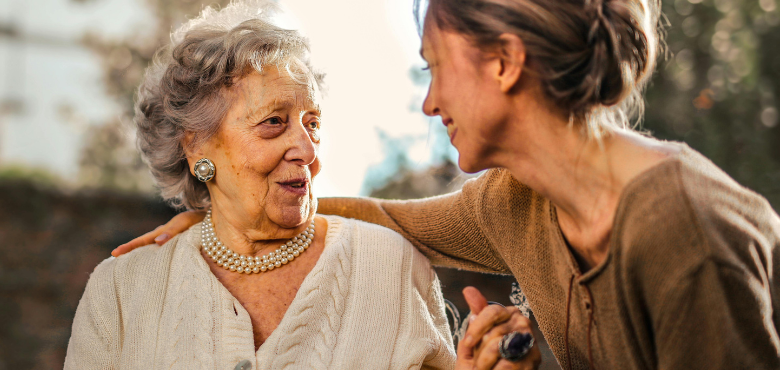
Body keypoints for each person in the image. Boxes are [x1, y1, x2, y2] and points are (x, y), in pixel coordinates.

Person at [113, 0, 780, 368]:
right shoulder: (515, 202)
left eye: (435, 67)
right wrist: (230, 215)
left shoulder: (681, 229)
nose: (430, 103)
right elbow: (387, 220)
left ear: (504, 62)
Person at [65, 2, 540, 369]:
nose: (307, 151)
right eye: (274, 122)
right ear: (196, 148)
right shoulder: (123, 290)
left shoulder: (388, 265)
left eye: (312, 123)